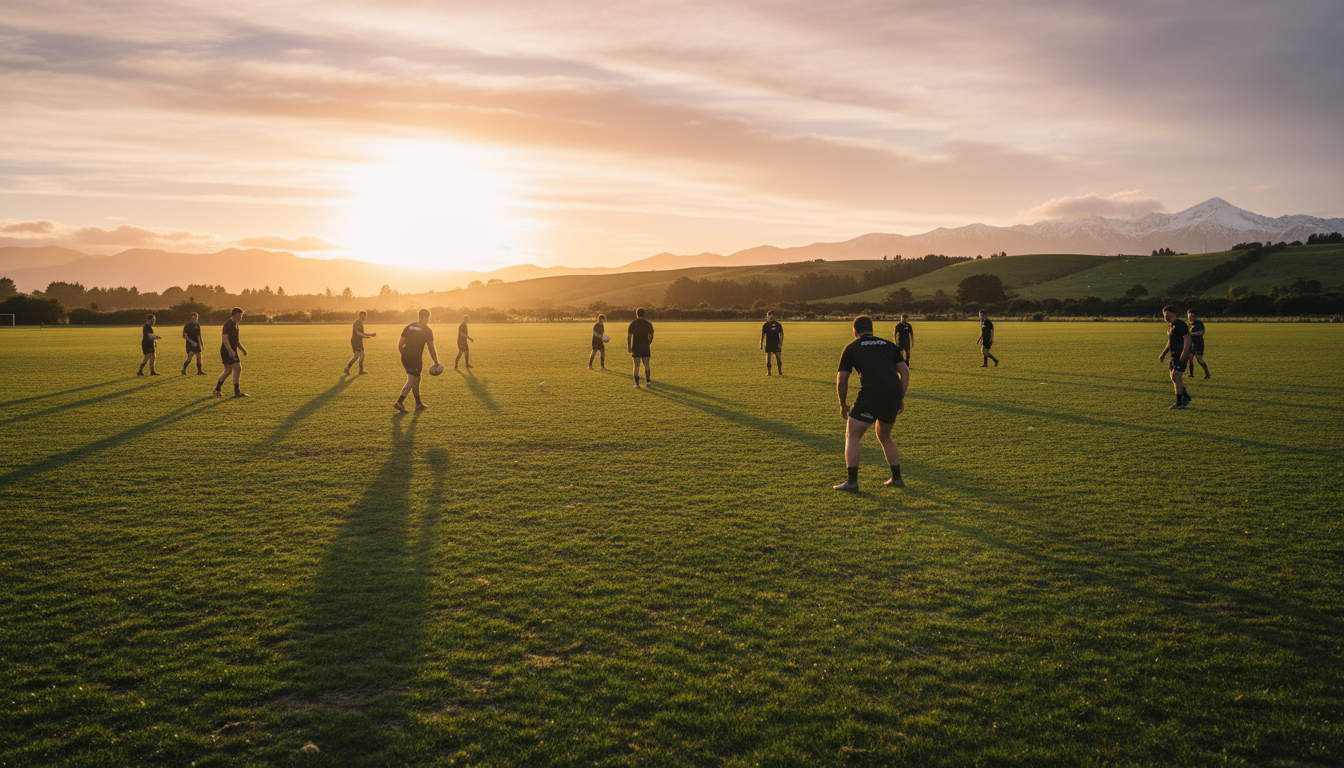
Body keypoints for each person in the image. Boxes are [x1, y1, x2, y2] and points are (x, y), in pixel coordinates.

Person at [834, 315, 910, 492]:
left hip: (871, 394)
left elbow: (842, 379)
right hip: (892, 394)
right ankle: (897, 478)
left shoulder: (852, 348)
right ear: (872, 329)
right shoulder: (889, 345)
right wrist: (901, 396)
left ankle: (852, 482)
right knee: (884, 436)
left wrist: (843, 404)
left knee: (852, 435)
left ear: (855, 331)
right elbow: (904, 372)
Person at [395, 309, 440, 413]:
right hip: (415, 358)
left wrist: (405, 355)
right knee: (412, 380)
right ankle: (399, 402)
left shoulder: (409, 327)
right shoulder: (427, 330)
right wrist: (436, 362)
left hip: (406, 356)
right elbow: (431, 348)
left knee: (417, 379)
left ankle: (418, 403)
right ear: (426, 318)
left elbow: (400, 344)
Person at [1158, 305, 1193, 409]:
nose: (1165, 318)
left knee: (1177, 376)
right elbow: (1170, 342)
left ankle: (1179, 403)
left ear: (1173, 314)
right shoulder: (1171, 326)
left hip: (1180, 354)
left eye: (1167, 315)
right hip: (1173, 355)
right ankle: (1186, 397)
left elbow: (1187, 338)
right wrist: (1163, 353)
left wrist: (1185, 353)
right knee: (1174, 377)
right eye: (1164, 316)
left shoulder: (1180, 324)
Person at [214, 307, 248, 397]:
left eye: (241, 315)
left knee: (228, 370)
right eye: (238, 315)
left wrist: (242, 349)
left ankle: (217, 389)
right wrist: (230, 350)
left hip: (232, 350)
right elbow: (225, 338)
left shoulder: (236, 326)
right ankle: (237, 392)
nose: (240, 317)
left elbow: (236, 341)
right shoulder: (228, 324)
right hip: (227, 350)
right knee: (237, 367)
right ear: (233, 315)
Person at [628, 307, 654, 389]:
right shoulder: (648, 324)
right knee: (647, 364)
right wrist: (648, 343)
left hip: (636, 347)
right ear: (644, 314)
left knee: (636, 365)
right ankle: (648, 382)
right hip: (645, 347)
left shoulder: (633, 324)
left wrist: (629, 346)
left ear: (637, 314)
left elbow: (629, 337)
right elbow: (651, 336)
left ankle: (636, 384)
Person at [344, 310, 377, 375]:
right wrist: (364, 337)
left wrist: (371, 334)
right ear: (360, 316)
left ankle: (359, 370)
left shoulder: (360, 323)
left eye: (365, 316)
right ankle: (348, 368)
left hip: (358, 341)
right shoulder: (357, 323)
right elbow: (358, 332)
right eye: (363, 316)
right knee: (357, 355)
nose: (364, 317)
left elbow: (362, 333)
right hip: (356, 341)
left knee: (362, 355)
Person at [1186, 309, 1210, 379]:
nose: (1191, 318)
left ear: (1195, 316)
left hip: (1199, 344)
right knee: (1190, 358)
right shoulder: (1189, 324)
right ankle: (1191, 374)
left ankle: (1207, 374)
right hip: (1191, 344)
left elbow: (1202, 332)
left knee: (1199, 360)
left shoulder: (1199, 323)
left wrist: (1191, 334)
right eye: (1189, 316)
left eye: (1193, 316)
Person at [760, 310, 784, 375]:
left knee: (778, 358)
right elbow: (762, 335)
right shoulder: (765, 325)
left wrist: (780, 343)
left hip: (776, 344)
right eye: (768, 316)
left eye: (770, 316)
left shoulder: (778, 325)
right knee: (768, 358)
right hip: (769, 344)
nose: (769, 318)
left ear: (773, 317)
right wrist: (761, 344)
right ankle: (769, 372)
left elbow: (782, 334)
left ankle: (780, 371)